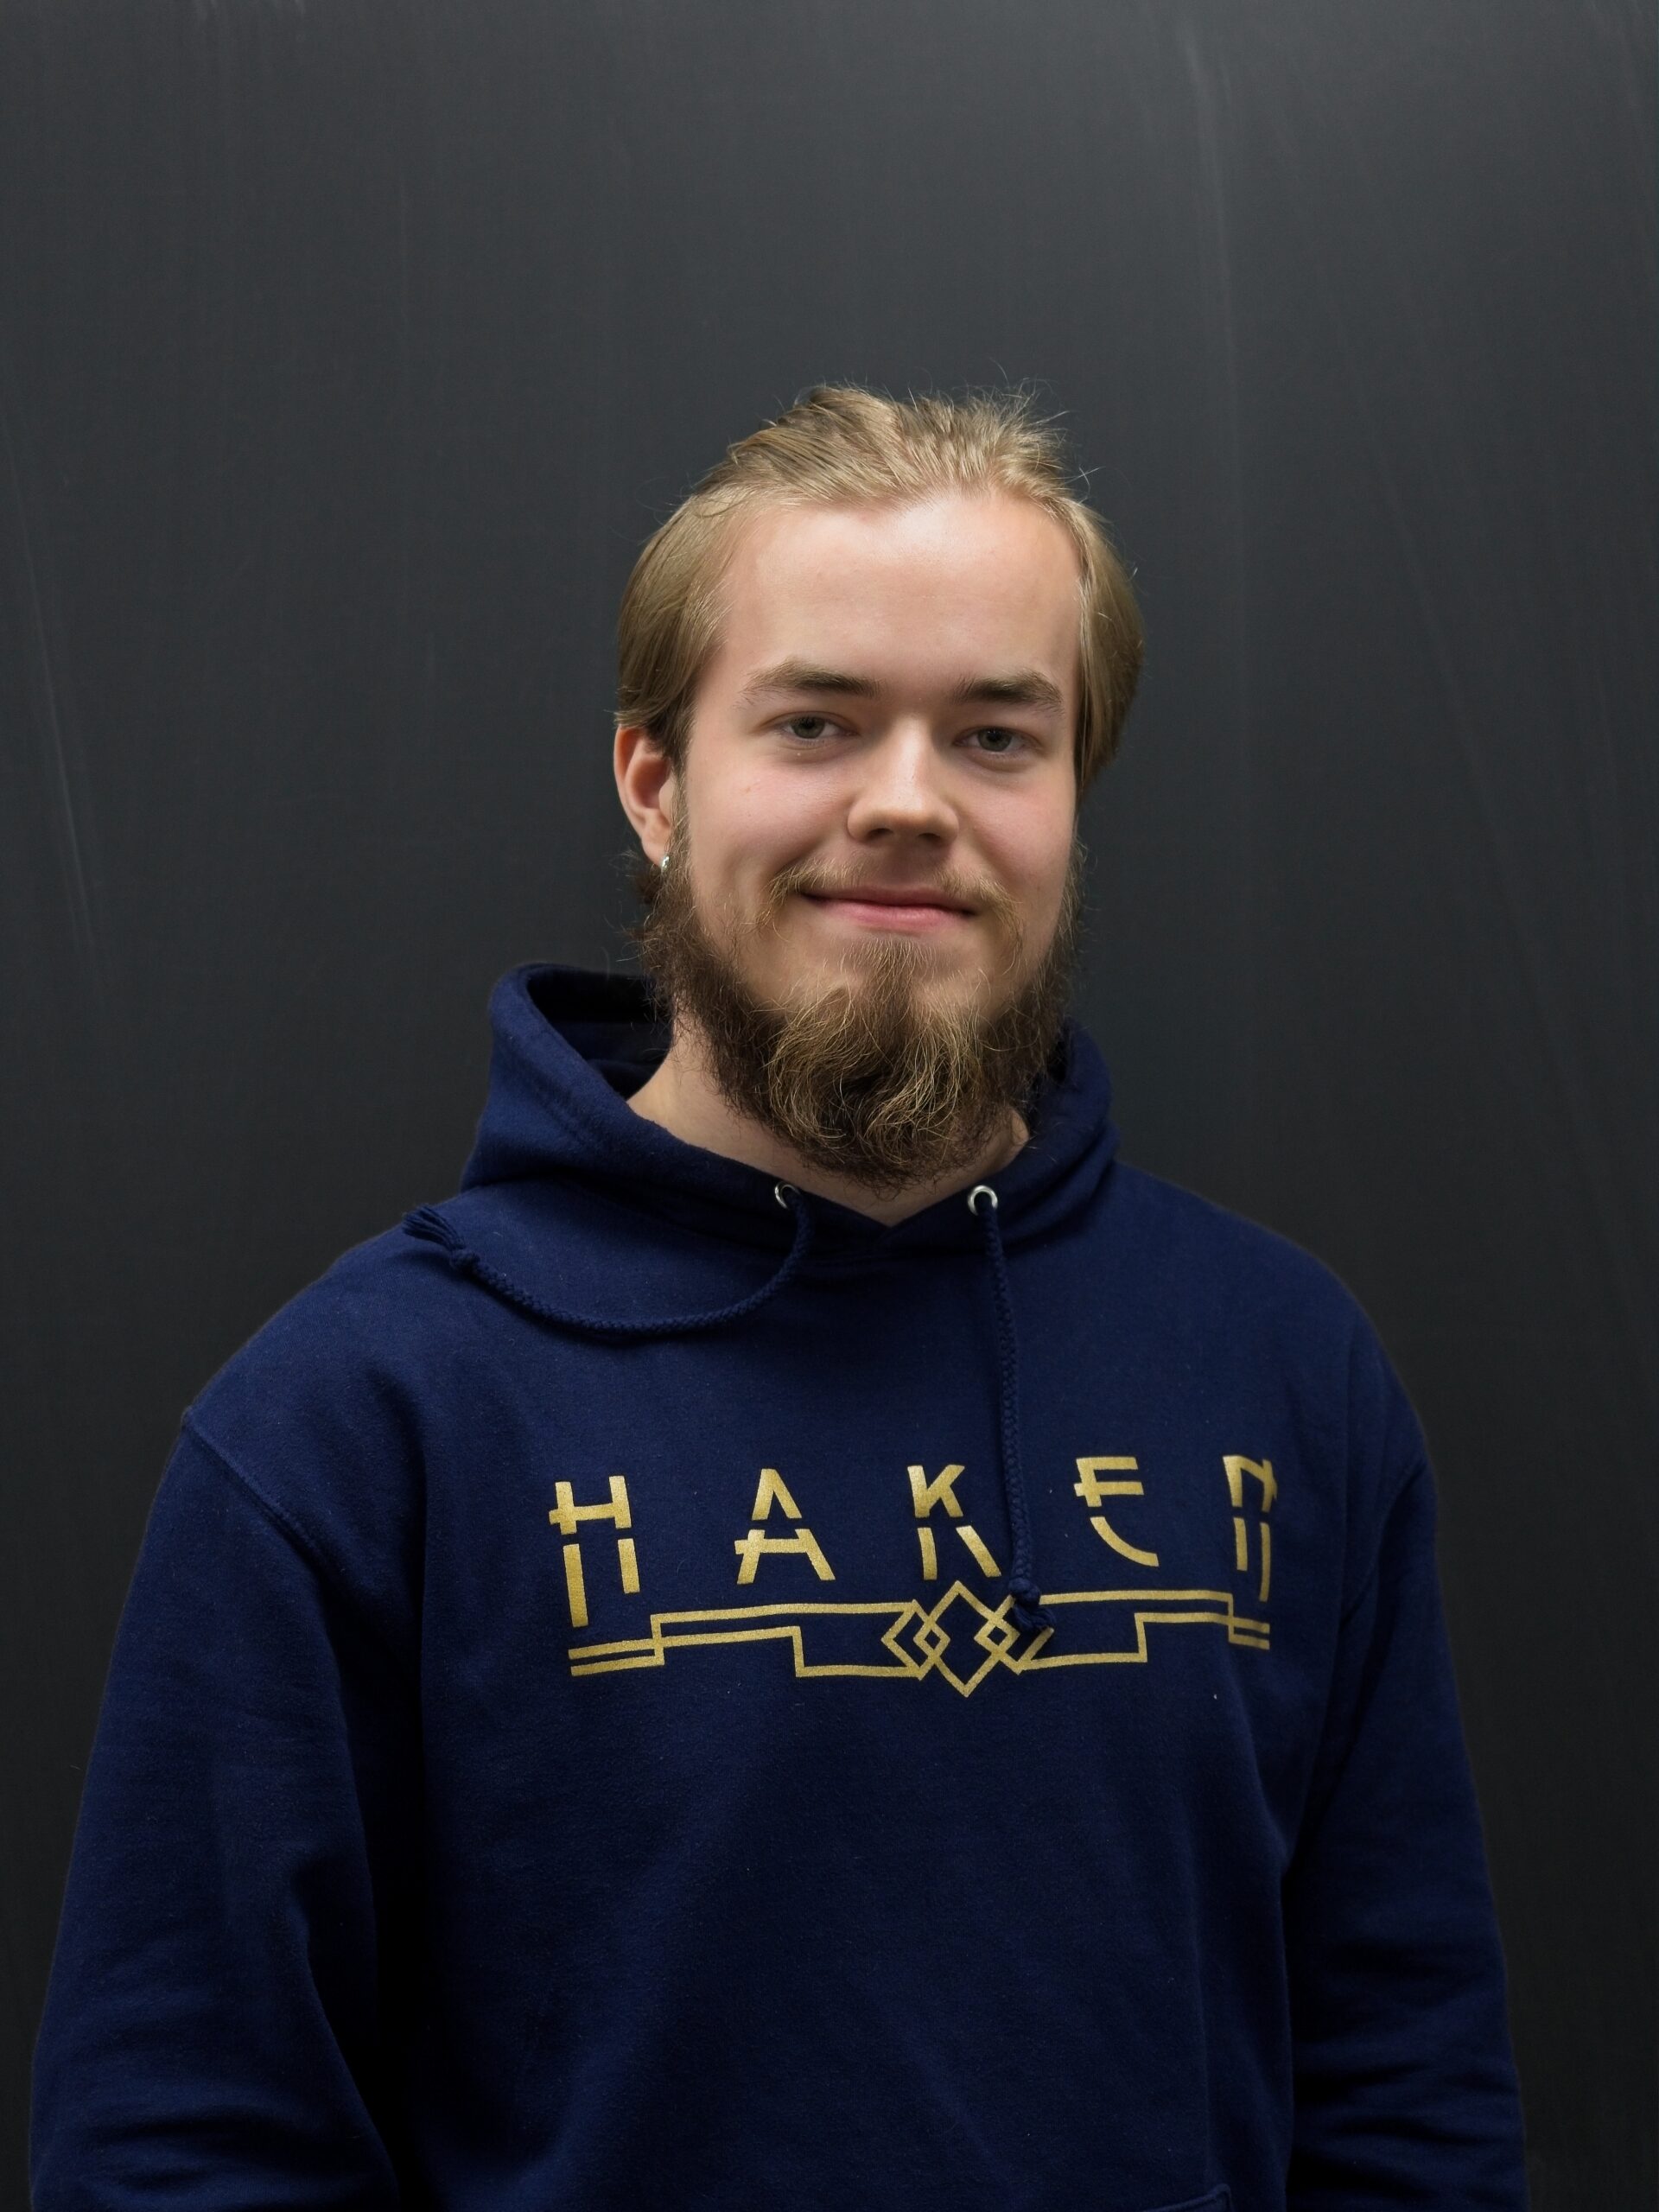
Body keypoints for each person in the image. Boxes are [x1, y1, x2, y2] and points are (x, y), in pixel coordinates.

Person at [32, 384, 1529, 2210]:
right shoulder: (356, 1418)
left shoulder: (1284, 1368)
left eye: (996, 736)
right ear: (655, 784)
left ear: (1073, 797)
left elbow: (1408, 2092)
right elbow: (183, 2143)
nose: (906, 803)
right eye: (816, 722)